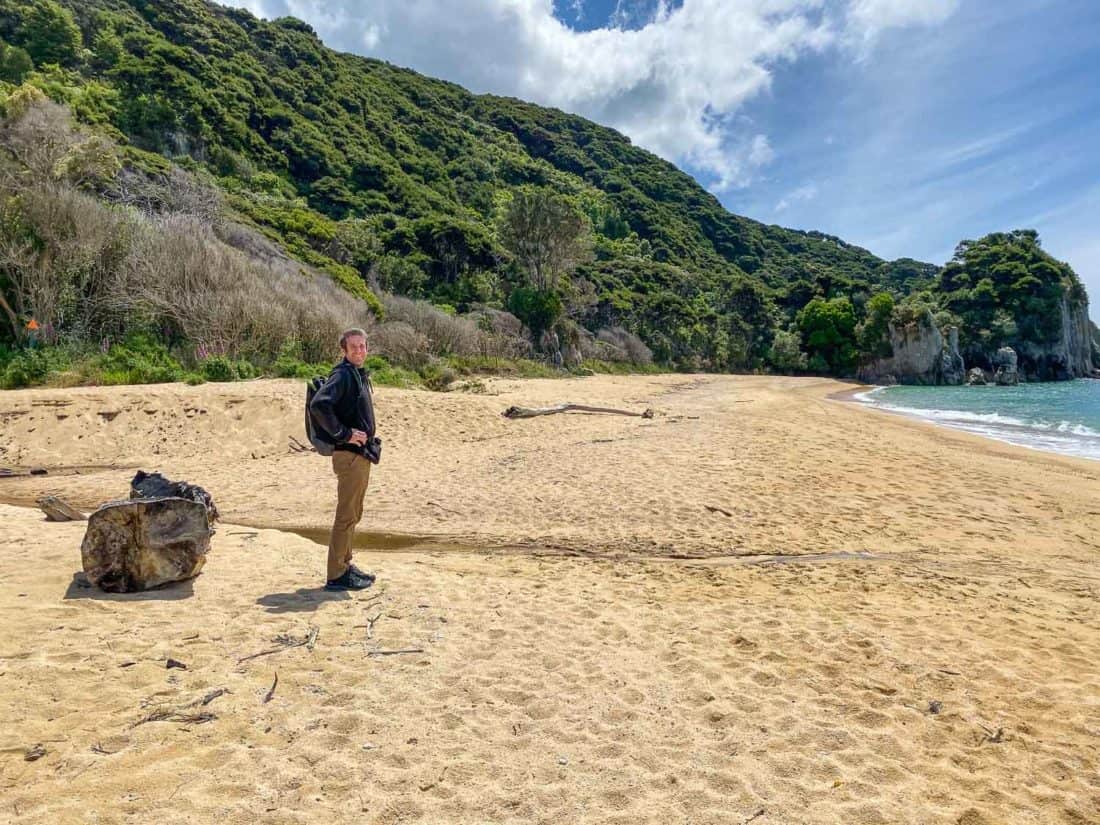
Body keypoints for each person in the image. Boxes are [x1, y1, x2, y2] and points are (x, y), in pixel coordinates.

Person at [308, 328, 379, 591]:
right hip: (349, 456)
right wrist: (345, 434)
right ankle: (337, 574)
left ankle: (345, 564)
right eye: (354, 347)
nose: (360, 351)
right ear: (344, 350)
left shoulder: (355, 374)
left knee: (354, 513)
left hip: (360, 455)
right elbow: (319, 405)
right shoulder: (342, 375)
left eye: (363, 346)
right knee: (346, 515)